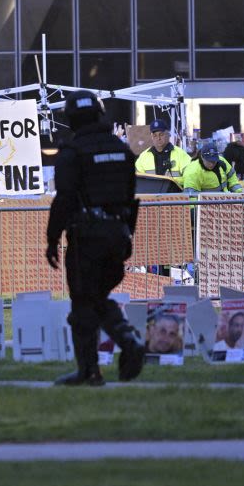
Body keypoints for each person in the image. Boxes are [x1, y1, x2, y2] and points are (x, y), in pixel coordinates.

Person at [46, 90, 147, 386]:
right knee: (97, 298)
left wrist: (52, 239)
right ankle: (127, 341)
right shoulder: (121, 150)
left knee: (82, 304)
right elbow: (130, 198)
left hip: (87, 237)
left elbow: (64, 199)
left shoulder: (73, 153)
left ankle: (90, 368)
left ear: (71, 119)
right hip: (118, 236)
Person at [135, 119, 192, 187]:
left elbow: (191, 177)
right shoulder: (143, 156)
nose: (158, 138)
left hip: (174, 195)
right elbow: (137, 180)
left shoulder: (181, 154)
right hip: (150, 195)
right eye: (155, 135)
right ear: (151, 137)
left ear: (168, 134)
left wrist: (172, 182)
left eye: (161, 134)